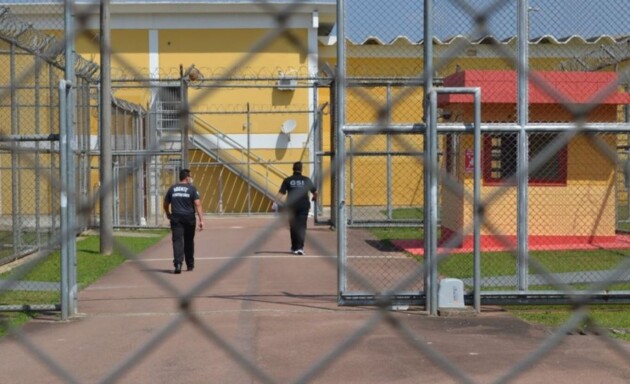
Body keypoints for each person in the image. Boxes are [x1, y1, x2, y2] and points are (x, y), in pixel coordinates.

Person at [163, 169, 204, 274]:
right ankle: (190, 264)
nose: (191, 178)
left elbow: (166, 203)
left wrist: (168, 213)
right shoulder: (192, 189)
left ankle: (178, 264)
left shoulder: (172, 188)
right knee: (189, 241)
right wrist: (201, 220)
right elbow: (197, 204)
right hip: (189, 218)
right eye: (190, 176)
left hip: (176, 218)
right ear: (187, 177)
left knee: (177, 241)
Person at [275, 161, 317, 255]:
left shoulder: (288, 180)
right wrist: (314, 197)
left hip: (291, 206)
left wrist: (275, 202)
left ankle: (294, 247)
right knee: (302, 226)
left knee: (293, 227)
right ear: (301, 169)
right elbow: (315, 192)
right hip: (303, 206)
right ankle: (300, 248)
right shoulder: (306, 180)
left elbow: (281, 192)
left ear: (293, 169)